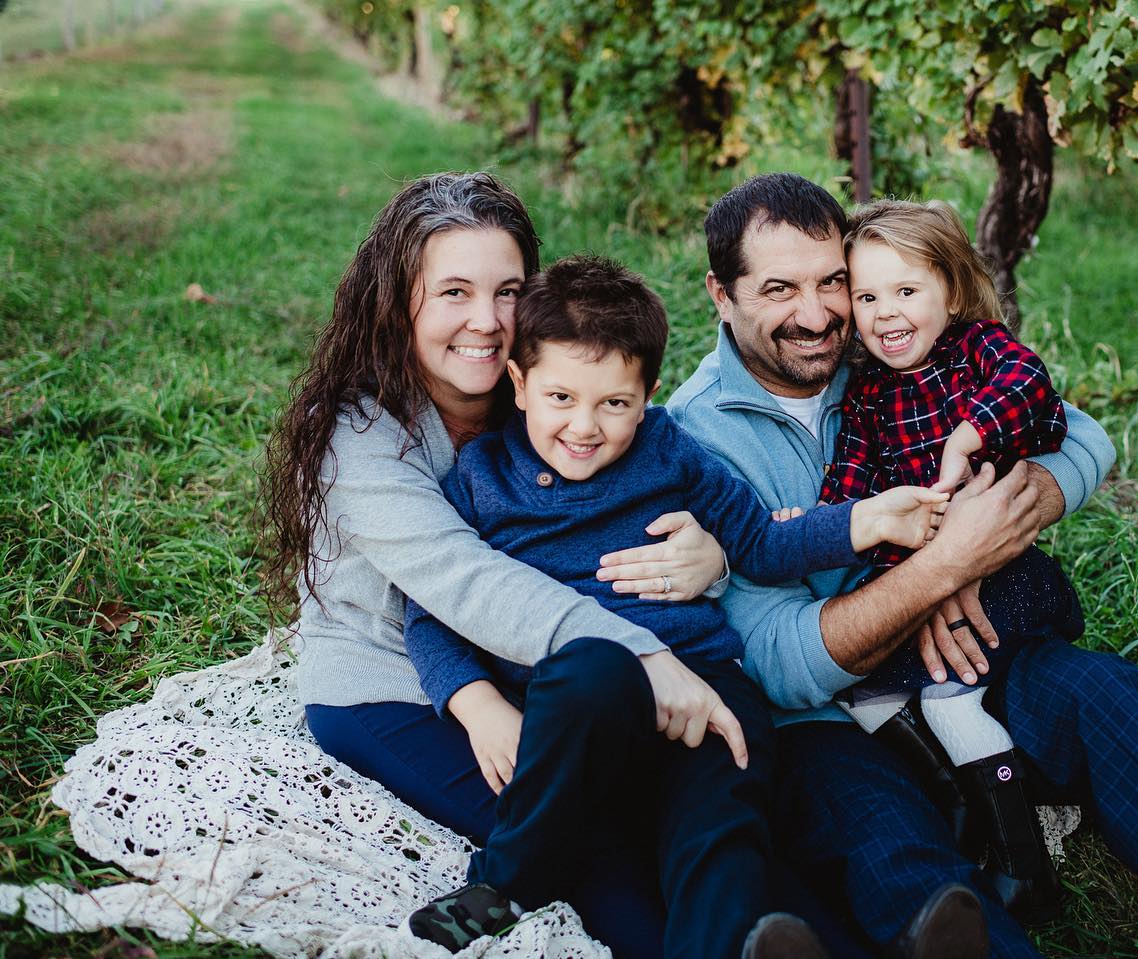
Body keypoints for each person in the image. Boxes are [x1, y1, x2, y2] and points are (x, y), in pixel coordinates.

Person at [667, 172, 1138, 959]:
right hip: (834, 720)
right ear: (720, 296)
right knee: (907, 864)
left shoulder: (887, 351)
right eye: (777, 289)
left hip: (974, 652)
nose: (817, 313)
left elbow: (1082, 436)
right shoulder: (695, 441)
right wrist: (941, 569)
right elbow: (775, 663)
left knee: (1107, 698)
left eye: (834, 282)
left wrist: (1004, 515)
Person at [400, 254, 965, 959]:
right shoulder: (483, 479)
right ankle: (506, 882)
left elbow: (761, 540)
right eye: (562, 398)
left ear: (649, 394)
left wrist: (869, 519)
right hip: (585, 706)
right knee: (594, 667)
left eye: (615, 403)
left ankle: (729, 942)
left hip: (704, 684)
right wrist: (473, 700)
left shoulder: (671, 449)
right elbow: (431, 609)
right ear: (518, 384)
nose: (585, 426)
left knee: (723, 818)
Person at [258, 172, 741, 959]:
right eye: (453, 291)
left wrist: (711, 556)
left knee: (707, 814)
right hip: (394, 688)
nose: (485, 321)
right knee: (594, 848)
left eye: (507, 290)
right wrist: (630, 659)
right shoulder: (357, 432)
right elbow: (468, 582)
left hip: (549, 669)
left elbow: (638, 503)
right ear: (398, 300)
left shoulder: (546, 402)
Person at [816, 198, 1083, 920]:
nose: (885, 313)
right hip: (935, 574)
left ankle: (1025, 863)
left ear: (952, 292)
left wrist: (968, 436)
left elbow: (1030, 384)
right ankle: (955, 802)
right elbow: (853, 470)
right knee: (864, 693)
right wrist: (823, 522)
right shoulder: (869, 392)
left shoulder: (979, 349)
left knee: (948, 696)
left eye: (906, 291)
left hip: (1010, 580)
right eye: (867, 296)